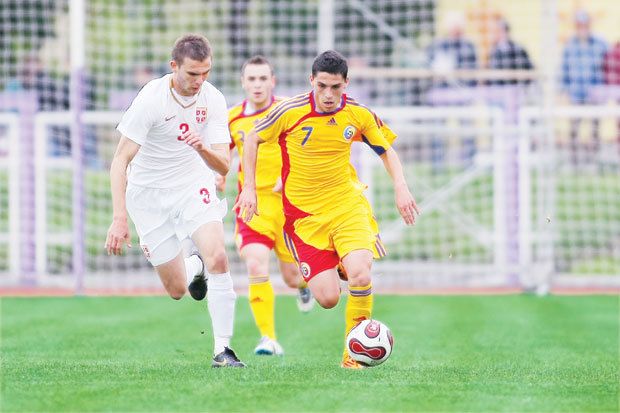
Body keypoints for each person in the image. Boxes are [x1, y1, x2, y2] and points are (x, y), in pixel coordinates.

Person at [235, 50, 420, 369]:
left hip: (347, 207)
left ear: (346, 83)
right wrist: (249, 188)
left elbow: (386, 151)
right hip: (305, 219)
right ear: (312, 81)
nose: (329, 94)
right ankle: (337, 266)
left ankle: (353, 356)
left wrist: (401, 186)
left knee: (361, 273)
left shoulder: (358, 114)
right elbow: (251, 139)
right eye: (322, 86)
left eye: (336, 87)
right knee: (328, 299)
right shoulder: (289, 111)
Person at [104, 34, 245, 368]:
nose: (199, 81)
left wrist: (201, 148)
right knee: (177, 289)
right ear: (174, 67)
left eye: (205, 73)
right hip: (148, 196)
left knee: (219, 256)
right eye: (192, 74)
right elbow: (120, 159)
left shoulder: (213, 99)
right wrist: (119, 218)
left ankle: (223, 350)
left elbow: (223, 165)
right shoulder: (152, 98)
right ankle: (195, 268)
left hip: (193, 184)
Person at [224, 55, 315, 357]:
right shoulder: (233, 118)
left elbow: (309, 147)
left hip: (288, 206)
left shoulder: (287, 110)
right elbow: (223, 155)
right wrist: (218, 175)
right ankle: (268, 338)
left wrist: (290, 176)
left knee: (292, 277)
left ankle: (303, 286)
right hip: (253, 205)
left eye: (263, 78)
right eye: (251, 79)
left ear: (273, 82)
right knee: (256, 263)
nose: (257, 85)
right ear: (243, 83)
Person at [560, 9, 608, 165]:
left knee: (595, 129)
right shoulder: (569, 45)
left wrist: (604, 91)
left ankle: (594, 161)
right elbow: (564, 70)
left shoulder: (601, 44)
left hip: (595, 94)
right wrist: (561, 92)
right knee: (574, 129)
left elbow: (607, 67)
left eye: (584, 24)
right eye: (579, 25)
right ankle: (573, 162)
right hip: (576, 94)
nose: (582, 28)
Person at [487, 17, 534, 85]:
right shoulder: (494, 51)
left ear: (502, 31)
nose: (492, 34)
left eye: (495, 31)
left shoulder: (519, 49)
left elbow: (530, 70)